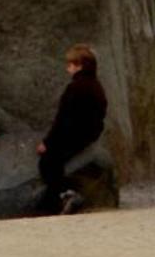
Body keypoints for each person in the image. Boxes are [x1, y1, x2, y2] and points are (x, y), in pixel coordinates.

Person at [36, 43, 108, 214]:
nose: (67, 68)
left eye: (70, 64)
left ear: (79, 65)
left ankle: (63, 194)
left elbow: (63, 118)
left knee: (48, 162)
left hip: (74, 133)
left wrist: (48, 142)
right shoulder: (96, 85)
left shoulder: (75, 87)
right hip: (89, 133)